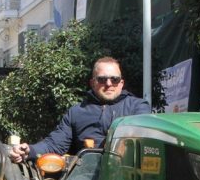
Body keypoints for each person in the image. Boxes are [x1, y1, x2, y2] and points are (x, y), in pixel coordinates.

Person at [10, 57, 151, 163]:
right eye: (102, 79)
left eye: (114, 79)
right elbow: (54, 144)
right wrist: (30, 150)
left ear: (121, 83)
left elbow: (141, 139)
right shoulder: (76, 112)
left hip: (128, 178)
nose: (109, 84)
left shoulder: (138, 107)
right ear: (92, 83)